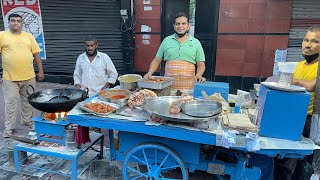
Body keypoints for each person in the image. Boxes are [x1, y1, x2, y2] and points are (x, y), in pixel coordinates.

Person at [274, 25, 320, 180]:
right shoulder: (299, 65)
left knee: (303, 164)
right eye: (306, 40)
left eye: (315, 41)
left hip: (309, 122)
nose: (308, 44)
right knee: (284, 159)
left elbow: (312, 85)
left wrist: (290, 80)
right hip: (292, 117)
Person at [0, 13, 44, 138]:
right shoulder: (2, 36)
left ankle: (27, 121)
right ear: (8, 22)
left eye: (18, 21)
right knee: (10, 103)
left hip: (29, 77)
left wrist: (40, 71)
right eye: (13, 20)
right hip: (10, 78)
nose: (15, 23)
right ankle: (9, 128)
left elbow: (36, 55)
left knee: (28, 102)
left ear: (22, 23)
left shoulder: (28, 36)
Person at [144, 12, 206, 94]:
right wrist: (150, 72)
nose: (180, 26)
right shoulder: (166, 41)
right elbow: (157, 59)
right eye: (177, 24)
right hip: (168, 87)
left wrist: (198, 74)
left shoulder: (195, 42)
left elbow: (201, 64)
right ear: (174, 26)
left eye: (183, 24)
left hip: (188, 88)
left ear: (188, 26)